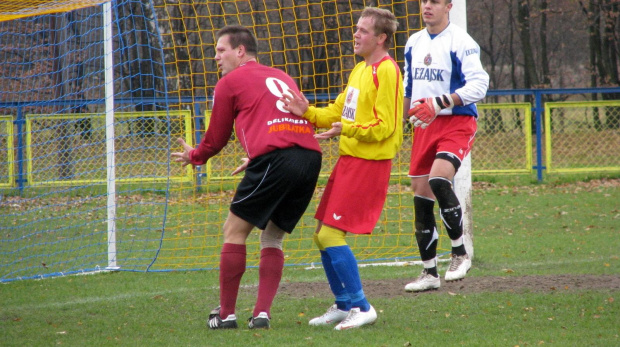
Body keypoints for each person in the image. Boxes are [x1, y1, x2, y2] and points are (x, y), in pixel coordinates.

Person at [171, 25, 322, 329]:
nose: (216, 57)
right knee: (273, 237)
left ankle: (226, 315)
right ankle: (262, 314)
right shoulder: (280, 75)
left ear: (240, 51)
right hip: (310, 158)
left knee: (233, 231)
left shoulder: (230, 82)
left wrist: (195, 156)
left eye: (221, 50)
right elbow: (282, 119)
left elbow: (216, 138)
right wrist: (257, 156)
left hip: (276, 159)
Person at [281, 7, 403, 330]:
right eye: (356, 29)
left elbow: (385, 127)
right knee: (322, 234)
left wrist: (345, 130)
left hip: (369, 163)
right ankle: (344, 303)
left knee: (331, 233)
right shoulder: (360, 70)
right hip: (349, 160)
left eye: (363, 30)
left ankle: (362, 307)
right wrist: (307, 112)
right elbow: (339, 111)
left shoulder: (386, 71)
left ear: (381, 38)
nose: (356, 34)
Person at [402, 0, 489, 292]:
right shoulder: (413, 42)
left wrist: (441, 102)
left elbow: (479, 85)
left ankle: (460, 254)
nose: (427, 6)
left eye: (435, 1)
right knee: (421, 196)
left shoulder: (461, 42)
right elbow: (409, 87)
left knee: (439, 179)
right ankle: (429, 273)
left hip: (456, 122)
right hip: (424, 126)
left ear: (449, 6)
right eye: (424, 1)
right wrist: (401, 121)